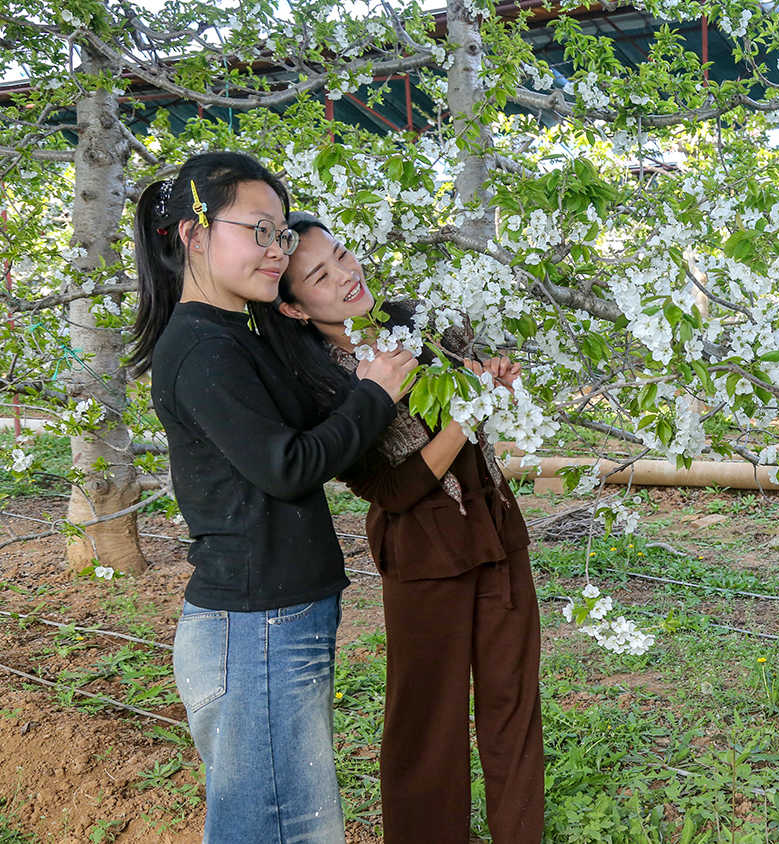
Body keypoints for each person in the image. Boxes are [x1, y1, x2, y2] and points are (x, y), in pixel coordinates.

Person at [127, 152, 416, 843]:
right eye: (258, 230)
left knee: (285, 824)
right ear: (193, 235)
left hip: (279, 620)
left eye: (281, 234)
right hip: (255, 628)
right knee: (279, 829)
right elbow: (288, 466)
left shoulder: (243, 331)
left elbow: (318, 419)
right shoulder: (201, 348)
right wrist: (377, 394)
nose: (274, 250)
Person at [247, 214, 544, 843]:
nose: (346, 276)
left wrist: (493, 382)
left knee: (513, 702)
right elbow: (397, 488)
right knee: (427, 721)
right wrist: (467, 414)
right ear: (296, 309)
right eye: (320, 276)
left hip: (495, 526)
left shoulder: (418, 326)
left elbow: (478, 413)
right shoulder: (324, 385)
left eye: (344, 254)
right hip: (425, 552)